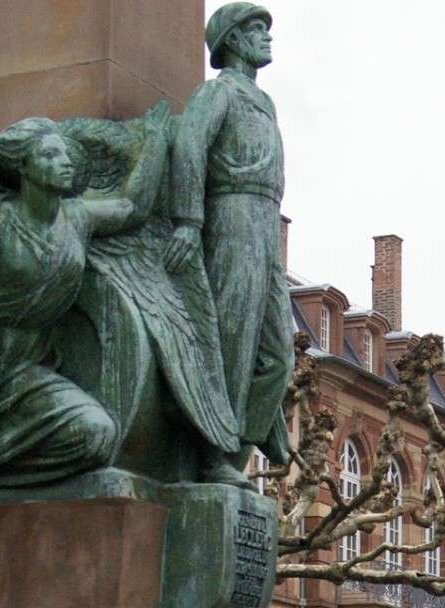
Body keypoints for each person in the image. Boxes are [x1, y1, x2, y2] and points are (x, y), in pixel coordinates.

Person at [0, 107, 171, 487]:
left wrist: (156, 142)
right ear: (23, 166)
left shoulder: (77, 219)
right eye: (50, 155)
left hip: (25, 363)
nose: (65, 162)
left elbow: (131, 208)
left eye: (65, 154)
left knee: (95, 436)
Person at [165, 2, 293, 484]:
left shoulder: (265, 102)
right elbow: (189, 146)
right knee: (232, 339)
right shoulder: (218, 93)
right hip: (232, 215)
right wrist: (188, 220)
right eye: (256, 29)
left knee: (279, 357)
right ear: (232, 41)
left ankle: (234, 450)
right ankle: (213, 456)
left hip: (265, 221)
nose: (266, 37)